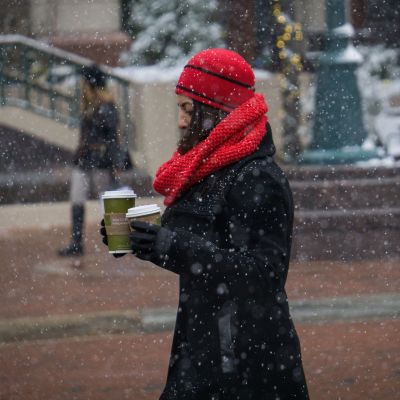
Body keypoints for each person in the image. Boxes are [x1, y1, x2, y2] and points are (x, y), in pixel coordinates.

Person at [101, 48, 309, 399]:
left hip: (247, 366)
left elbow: (265, 273)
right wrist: (143, 240)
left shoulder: (257, 177)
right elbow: (196, 246)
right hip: (202, 349)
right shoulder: (209, 171)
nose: (181, 121)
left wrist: (170, 245)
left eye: (187, 109)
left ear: (216, 110)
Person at [59, 65, 132, 256]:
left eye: (83, 82)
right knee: (77, 199)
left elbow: (113, 138)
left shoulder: (106, 107)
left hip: (100, 160)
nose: (80, 86)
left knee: (108, 201)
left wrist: (116, 163)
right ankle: (76, 243)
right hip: (84, 160)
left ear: (90, 84)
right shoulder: (89, 107)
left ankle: (121, 241)